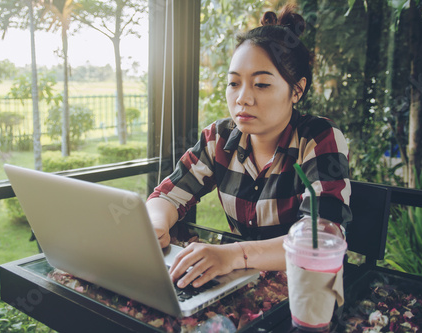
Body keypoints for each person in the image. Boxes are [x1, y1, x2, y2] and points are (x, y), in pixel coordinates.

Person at [146, 5, 351, 290]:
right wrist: (156, 225)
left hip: (305, 293)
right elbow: (168, 196)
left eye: (262, 85)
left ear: (297, 90)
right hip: (241, 283)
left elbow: (319, 238)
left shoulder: (319, 139)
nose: (242, 99)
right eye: (233, 83)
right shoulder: (219, 138)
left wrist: (234, 255)